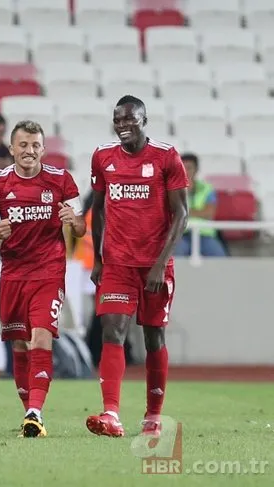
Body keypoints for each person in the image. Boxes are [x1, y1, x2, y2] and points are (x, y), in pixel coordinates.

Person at [86, 95, 188, 438]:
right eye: (117, 120)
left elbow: (182, 214)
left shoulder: (166, 157)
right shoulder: (103, 157)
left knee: (152, 335)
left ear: (144, 120)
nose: (122, 125)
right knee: (111, 331)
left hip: (154, 265)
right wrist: (100, 258)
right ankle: (111, 413)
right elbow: (97, 208)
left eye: (129, 119)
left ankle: (153, 415)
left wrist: (161, 264)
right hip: (117, 263)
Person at [0, 120, 85, 438]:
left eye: (35, 145)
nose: (29, 151)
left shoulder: (61, 180)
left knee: (41, 337)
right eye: (23, 145)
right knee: (20, 345)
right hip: (13, 274)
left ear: (43, 149)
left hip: (49, 273)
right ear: (12, 149)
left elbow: (80, 227)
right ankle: (29, 413)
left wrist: (74, 221)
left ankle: (36, 410)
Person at [174, 152, 228, 257]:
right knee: (175, 257)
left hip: (204, 234)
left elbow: (209, 213)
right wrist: (198, 212)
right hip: (179, 235)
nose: (186, 171)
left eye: (189, 168)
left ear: (196, 169)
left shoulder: (206, 188)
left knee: (220, 256)